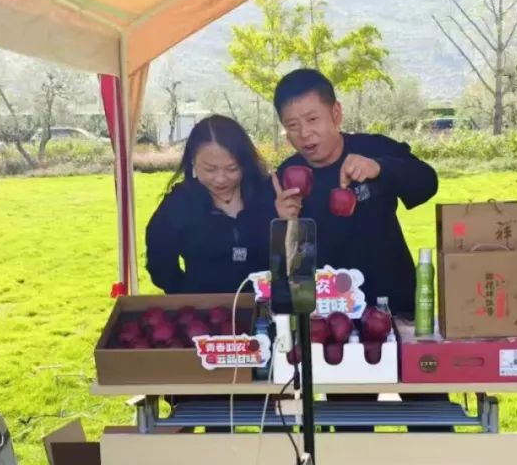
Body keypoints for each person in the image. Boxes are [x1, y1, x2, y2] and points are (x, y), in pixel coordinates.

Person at [271, 68, 438, 315]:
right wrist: (283, 223)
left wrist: (380, 168)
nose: (304, 133)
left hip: (390, 305)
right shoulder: (285, 178)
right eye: (293, 125)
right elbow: (279, 264)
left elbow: (427, 183)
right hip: (325, 312)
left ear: (336, 114)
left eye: (312, 119)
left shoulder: (374, 149)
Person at [146, 114, 283, 294]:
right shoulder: (180, 203)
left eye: (232, 168)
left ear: (246, 163)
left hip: (265, 304)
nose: (220, 179)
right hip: (204, 308)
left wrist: (288, 223)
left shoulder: (268, 194)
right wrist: (188, 295)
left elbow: (295, 259)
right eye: (210, 169)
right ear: (192, 161)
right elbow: (159, 263)